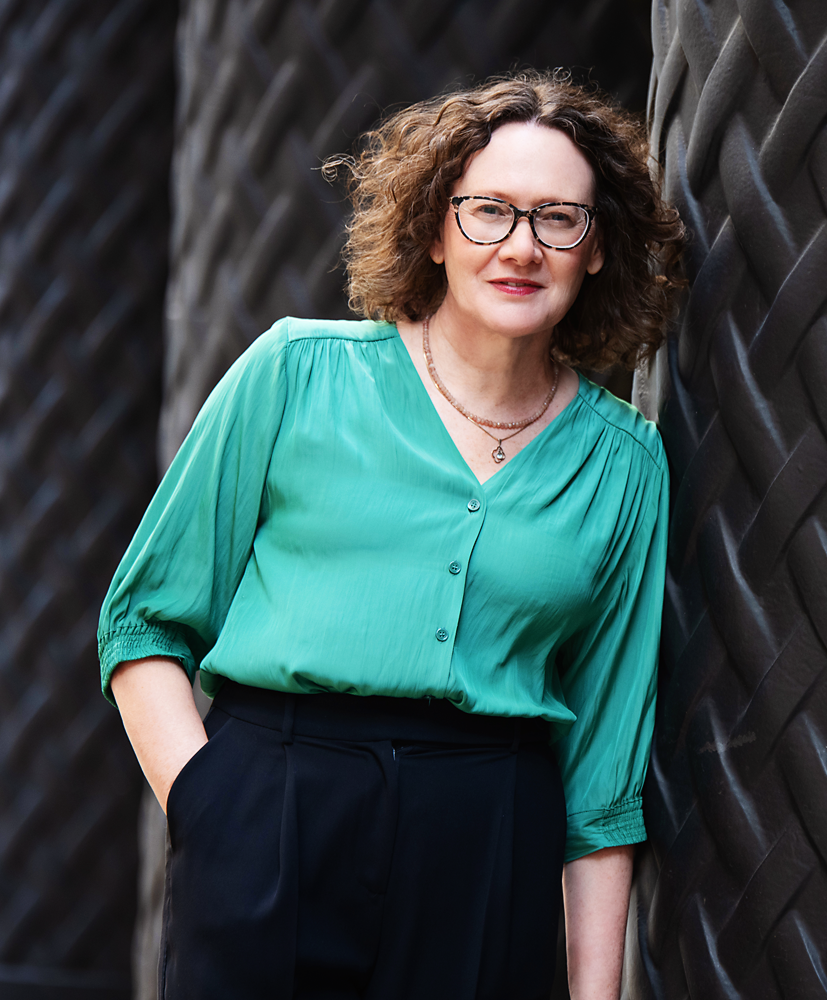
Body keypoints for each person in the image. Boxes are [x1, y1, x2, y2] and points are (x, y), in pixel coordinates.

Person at [98, 71, 685, 999]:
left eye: (559, 219)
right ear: (436, 229)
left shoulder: (625, 465)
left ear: (599, 246)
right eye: (489, 210)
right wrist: (210, 809)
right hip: (276, 811)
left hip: (487, 841)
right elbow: (144, 625)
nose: (521, 247)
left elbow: (602, 779)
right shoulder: (295, 373)